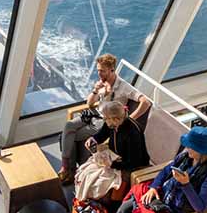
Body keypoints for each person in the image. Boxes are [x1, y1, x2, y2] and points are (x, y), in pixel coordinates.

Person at [58, 54, 152, 184]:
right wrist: (96, 90)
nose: (99, 73)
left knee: (70, 135)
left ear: (112, 70)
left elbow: (145, 102)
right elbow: (90, 104)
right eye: (98, 70)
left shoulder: (123, 87)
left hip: (106, 121)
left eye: (102, 71)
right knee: (69, 126)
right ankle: (65, 165)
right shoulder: (101, 84)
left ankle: (70, 170)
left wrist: (128, 119)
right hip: (96, 115)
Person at [73, 100, 150, 202]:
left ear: (116, 119)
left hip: (131, 165)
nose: (105, 121)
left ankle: (110, 206)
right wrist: (94, 139)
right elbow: (103, 133)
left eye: (106, 119)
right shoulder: (111, 124)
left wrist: (112, 164)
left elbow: (134, 162)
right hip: (114, 158)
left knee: (99, 184)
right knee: (85, 173)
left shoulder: (133, 133)